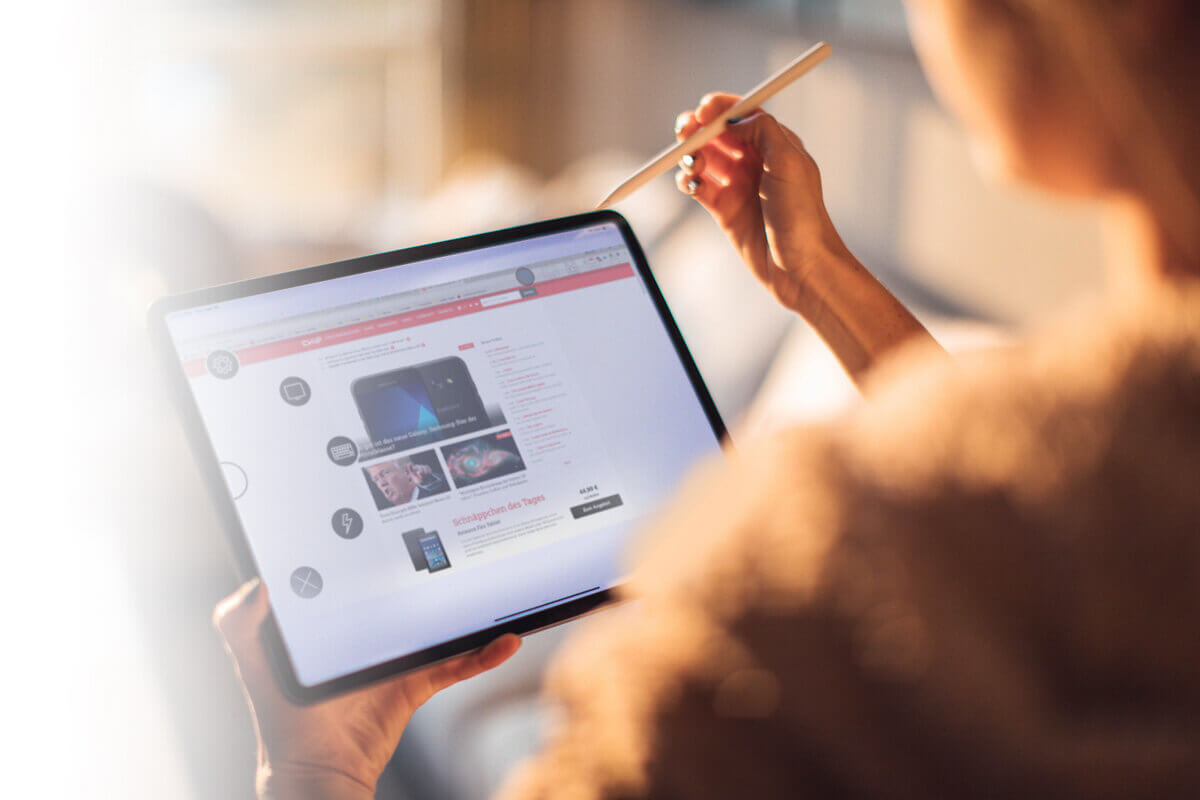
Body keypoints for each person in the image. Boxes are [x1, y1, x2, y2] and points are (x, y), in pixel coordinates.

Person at [215, 0, 1200, 797]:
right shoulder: (1092, 497)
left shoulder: (803, 583)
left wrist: (319, 769)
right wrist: (816, 275)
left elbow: (982, 519)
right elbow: (1027, 503)